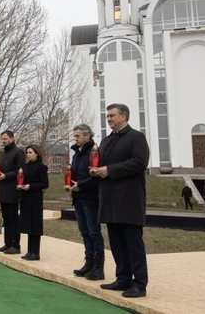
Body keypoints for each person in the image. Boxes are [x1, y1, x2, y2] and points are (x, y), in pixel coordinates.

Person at [90, 103, 149, 298]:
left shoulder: (136, 138)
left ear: (124, 116)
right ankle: (123, 278)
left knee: (133, 242)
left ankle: (139, 284)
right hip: (109, 198)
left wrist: (110, 170)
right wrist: (96, 170)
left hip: (129, 199)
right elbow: (100, 162)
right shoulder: (106, 141)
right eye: (107, 116)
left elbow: (140, 162)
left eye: (112, 115)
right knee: (115, 242)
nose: (109, 119)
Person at [67, 124, 104, 280]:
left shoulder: (94, 152)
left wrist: (80, 185)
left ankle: (98, 267)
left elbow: (96, 175)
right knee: (84, 232)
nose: (75, 139)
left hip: (91, 197)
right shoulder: (76, 154)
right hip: (78, 198)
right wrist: (70, 184)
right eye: (74, 136)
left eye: (78, 136)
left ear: (87, 136)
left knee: (94, 232)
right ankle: (88, 263)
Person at [0, 130, 25, 255]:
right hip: (3, 189)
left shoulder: (18, 152)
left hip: (13, 189)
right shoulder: (3, 154)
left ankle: (15, 245)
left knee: (13, 218)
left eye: (5, 139)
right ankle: (7, 243)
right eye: (2, 139)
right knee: (6, 218)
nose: (3, 141)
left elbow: (20, 170)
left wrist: (6, 176)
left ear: (12, 139)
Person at [18, 145, 49, 260]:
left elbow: (44, 184)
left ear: (37, 153)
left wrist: (30, 186)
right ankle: (30, 250)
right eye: (27, 152)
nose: (28, 154)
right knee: (28, 224)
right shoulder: (25, 167)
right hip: (25, 197)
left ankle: (35, 252)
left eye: (30, 152)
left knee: (35, 224)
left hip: (35, 197)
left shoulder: (41, 167)